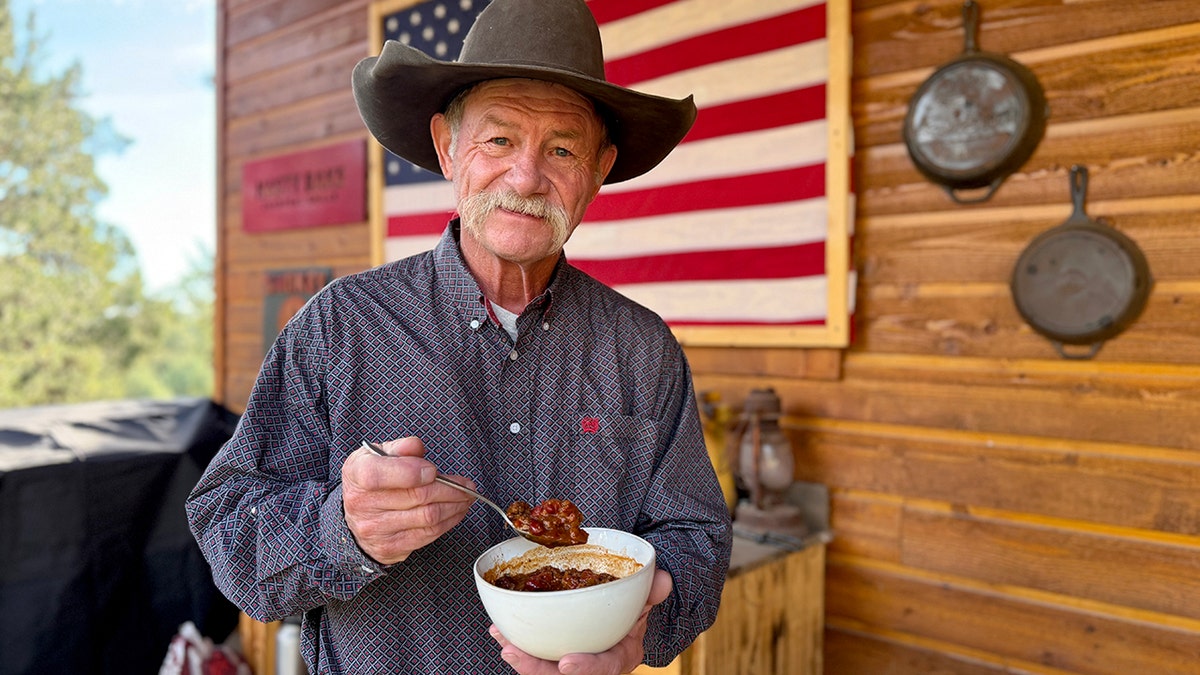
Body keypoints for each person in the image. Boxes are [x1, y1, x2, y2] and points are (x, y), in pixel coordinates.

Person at [185, 0, 732, 673]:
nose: (527, 177)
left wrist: (640, 628)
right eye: (498, 140)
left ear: (596, 171)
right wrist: (344, 528)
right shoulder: (340, 326)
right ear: (448, 148)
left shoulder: (641, 350)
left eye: (561, 148)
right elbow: (227, 527)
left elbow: (697, 538)